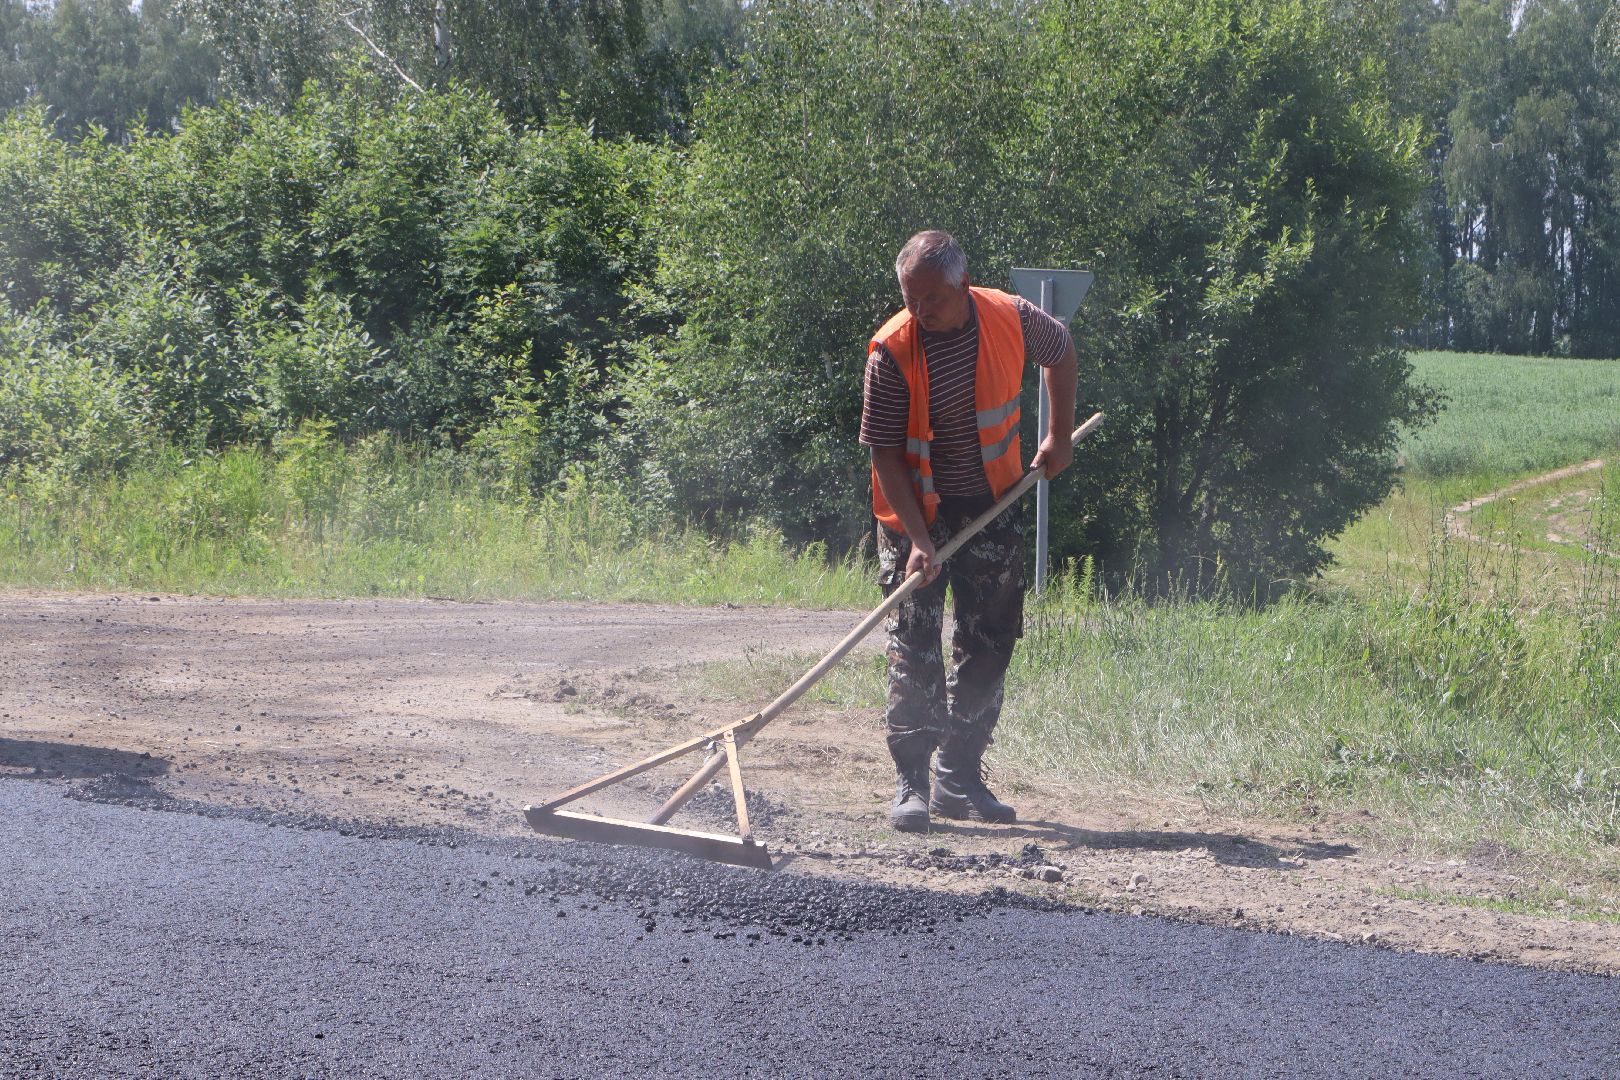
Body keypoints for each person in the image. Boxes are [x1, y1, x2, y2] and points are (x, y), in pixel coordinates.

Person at [860, 230, 1078, 832]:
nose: (918, 311)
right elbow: (883, 451)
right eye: (909, 297)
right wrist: (919, 540)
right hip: (914, 516)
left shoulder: (1010, 316)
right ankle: (912, 783)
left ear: (961, 286)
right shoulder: (891, 350)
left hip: (991, 500)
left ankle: (959, 775)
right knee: (914, 641)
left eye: (930, 298)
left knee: (991, 639)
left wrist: (1058, 436)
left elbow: (1060, 349)